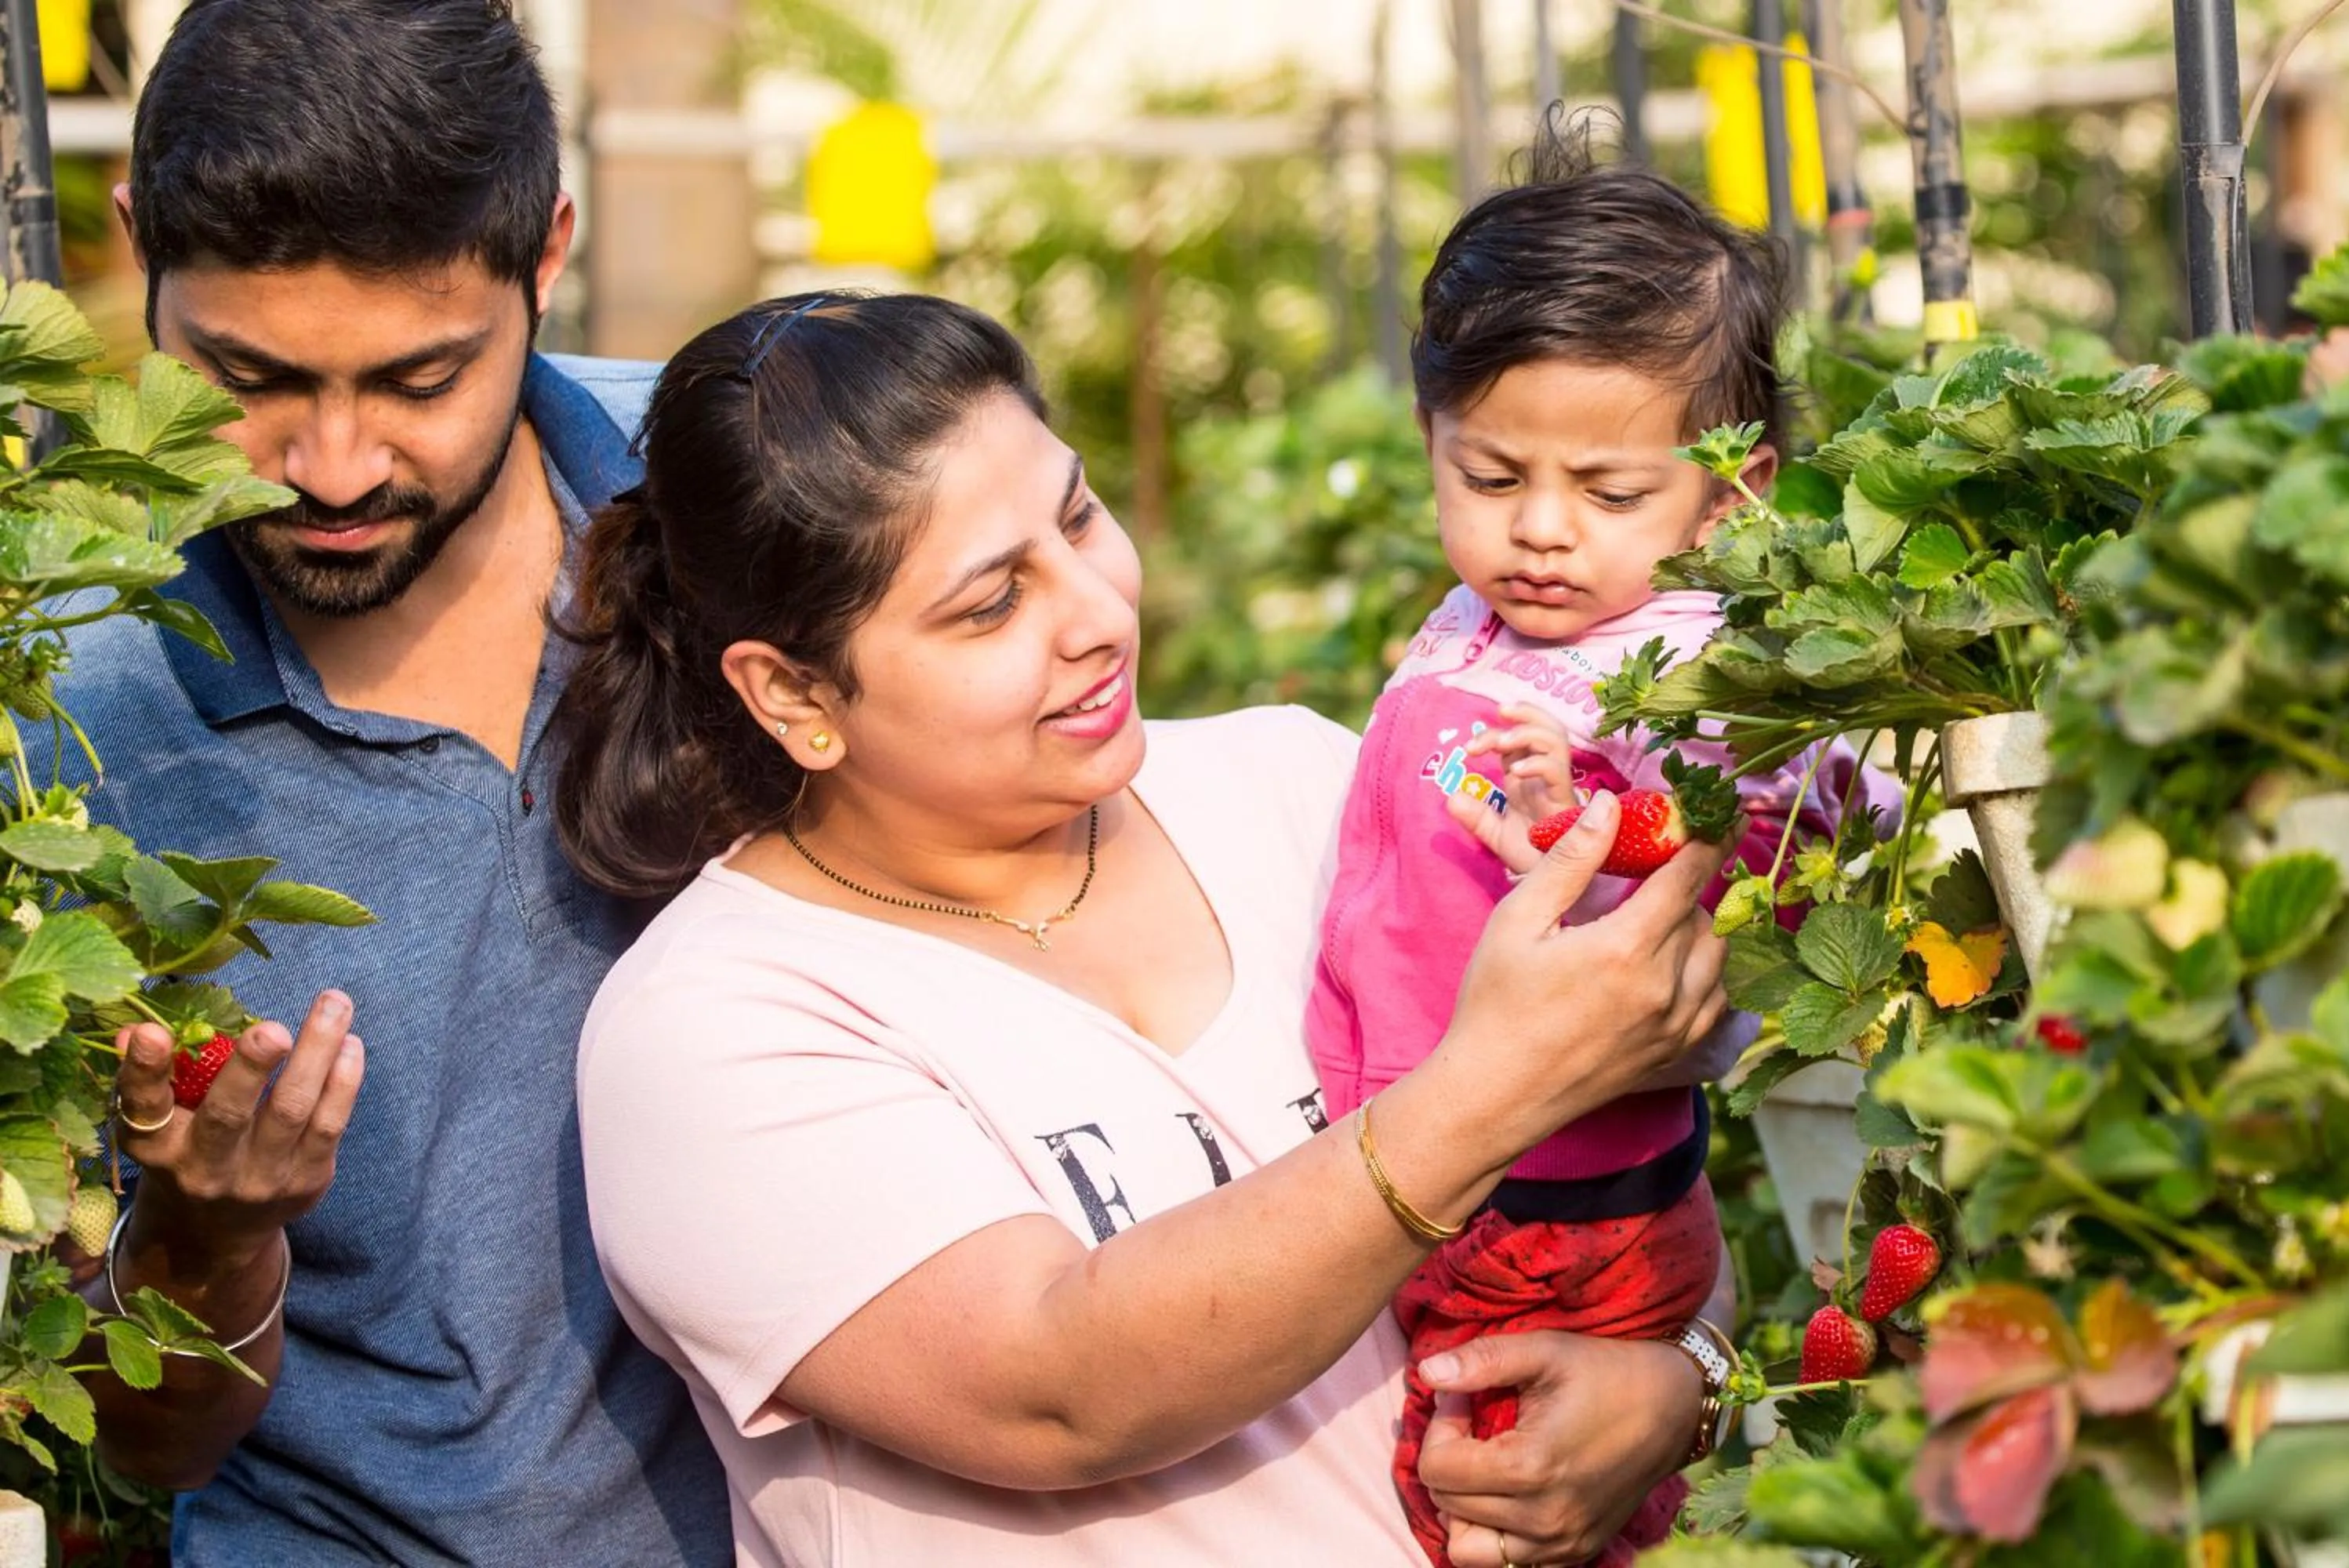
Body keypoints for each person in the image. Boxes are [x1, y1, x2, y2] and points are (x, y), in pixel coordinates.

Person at [557, 289, 1741, 1568]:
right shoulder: (716, 1029)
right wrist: (1498, 1083)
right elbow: (1060, 1385)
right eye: (989, 605)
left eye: (1078, 517)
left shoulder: (1303, 784)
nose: (1099, 613)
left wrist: (1681, 1384)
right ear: (793, 692)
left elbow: (1631, 1180)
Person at [65, 2, 733, 1561]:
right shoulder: (70, 719)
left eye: (423, 380)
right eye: (250, 379)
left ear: (549, 252)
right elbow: (123, 1436)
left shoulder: (743, 500)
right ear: (133, 251)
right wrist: (210, 1238)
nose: (337, 463)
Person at [1306, 134, 1882, 1567]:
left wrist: (1612, 809)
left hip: (1568, 1209)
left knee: (1508, 1498)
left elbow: (1776, 836)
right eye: (1490, 475)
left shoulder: (1704, 665)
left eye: (1611, 494)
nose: (1542, 532)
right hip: (1415, 1175)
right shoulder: (1473, 621)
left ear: (1729, 492)